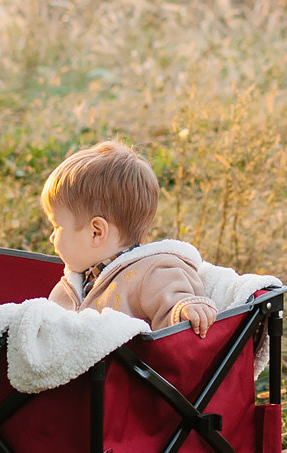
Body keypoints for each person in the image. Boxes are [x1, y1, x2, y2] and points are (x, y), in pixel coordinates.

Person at [42, 141, 220, 337]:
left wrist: (186, 308)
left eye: (56, 226)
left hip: (118, 367)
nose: (51, 237)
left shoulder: (148, 273)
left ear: (96, 232)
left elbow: (173, 300)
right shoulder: (73, 284)